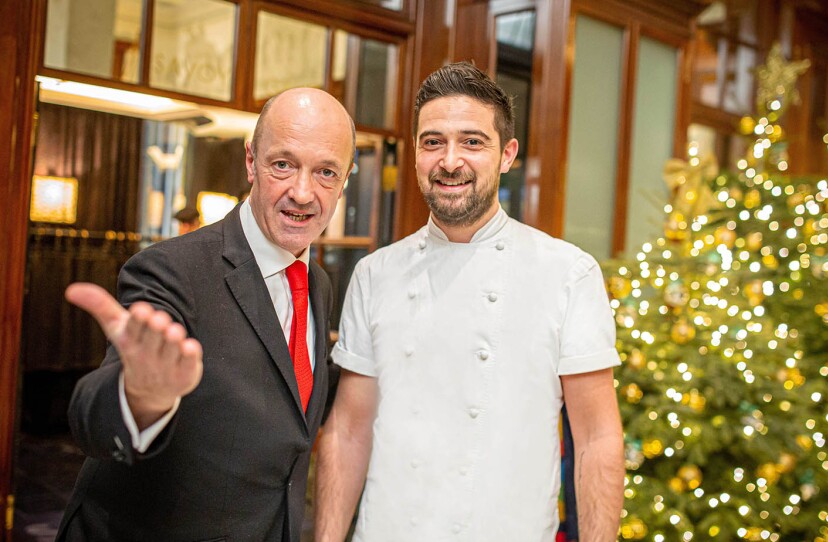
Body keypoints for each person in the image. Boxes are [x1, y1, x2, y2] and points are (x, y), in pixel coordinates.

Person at [315, 62, 625, 542]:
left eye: (472, 142)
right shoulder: (376, 274)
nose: (450, 160)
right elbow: (349, 431)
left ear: (507, 155)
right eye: (432, 141)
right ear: (417, 153)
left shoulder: (568, 273)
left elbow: (597, 441)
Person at [56, 87, 355, 541]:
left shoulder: (317, 284)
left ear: (345, 180)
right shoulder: (171, 268)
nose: (302, 191)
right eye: (283, 164)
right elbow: (97, 417)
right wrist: (141, 395)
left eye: (326, 172)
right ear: (251, 161)